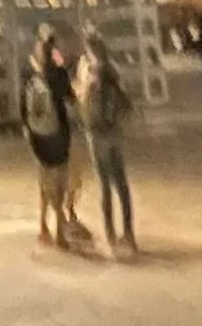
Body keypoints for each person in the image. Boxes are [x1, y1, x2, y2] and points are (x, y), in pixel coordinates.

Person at [77, 34, 136, 255]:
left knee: (104, 185)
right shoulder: (114, 70)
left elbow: (84, 106)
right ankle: (129, 232)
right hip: (115, 133)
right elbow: (127, 103)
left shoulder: (91, 75)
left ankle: (110, 233)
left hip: (97, 134)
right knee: (122, 184)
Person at [24, 24, 73, 245]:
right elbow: (70, 98)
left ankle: (43, 225)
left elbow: (23, 107)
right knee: (59, 181)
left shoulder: (31, 74)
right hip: (58, 131)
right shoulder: (59, 73)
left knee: (43, 178)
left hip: (37, 134)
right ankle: (60, 230)